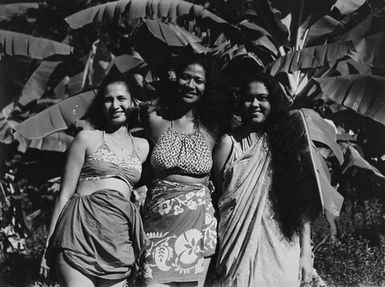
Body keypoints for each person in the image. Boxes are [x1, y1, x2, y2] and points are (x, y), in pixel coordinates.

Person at [39, 74, 150, 287]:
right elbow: (64, 195)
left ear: (133, 102)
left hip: (118, 237)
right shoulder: (87, 138)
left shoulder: (143, 146)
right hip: (79, 231)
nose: (115, 105)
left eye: (121, 98)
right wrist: (49, 244)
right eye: (108, 100)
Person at [212, 73, 322, 287]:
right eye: (248, 98)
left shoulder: (287, 147)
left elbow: (301, 204)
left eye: (262, 98)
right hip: (236, 246)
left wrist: (305, 253)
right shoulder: (229, 144)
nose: (255, 104)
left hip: (281, 246)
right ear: (240, 103)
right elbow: (216, 196)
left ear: (273, 102)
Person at [141, 54, 231, 287]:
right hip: (158, 224)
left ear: (207, 86)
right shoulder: (154, 118)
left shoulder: (215, 127)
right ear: (175, 79)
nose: (191, 85)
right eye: (185, 78)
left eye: (199, 81)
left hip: (198, 225)